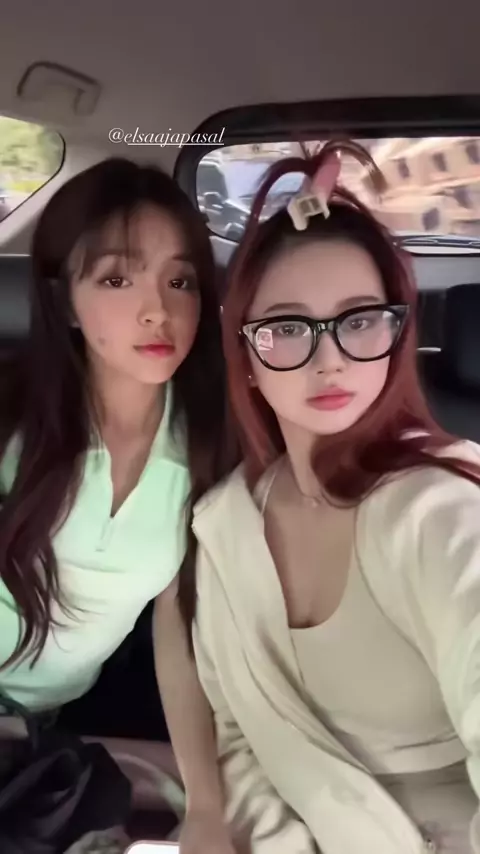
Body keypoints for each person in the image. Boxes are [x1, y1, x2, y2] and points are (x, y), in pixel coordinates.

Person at [189, 140, 480, 853]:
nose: (330, 360)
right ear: (247, 358)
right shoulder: (227, 523)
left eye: (359, 320)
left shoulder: (443, 504)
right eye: (288, 328)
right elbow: (240, 734)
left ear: (395, 335)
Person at [0, 157, 238, 853]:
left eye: (180, 281)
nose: (157, 309)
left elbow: (178, 625)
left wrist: (207, 805)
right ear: (63, 300)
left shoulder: (208, 444)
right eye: (116, 278)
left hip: (50, 719)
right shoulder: (12, 414)